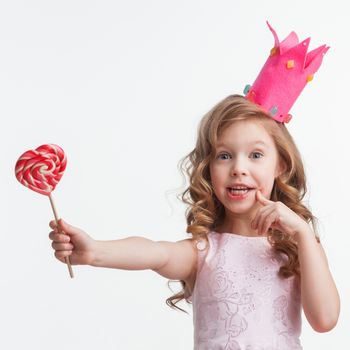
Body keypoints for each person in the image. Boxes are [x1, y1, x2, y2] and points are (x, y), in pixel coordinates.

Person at [48, 22, 340, 349]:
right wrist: (96, 251)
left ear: (281, 165)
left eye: (256, 154)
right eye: (224, 155)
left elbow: (325, 319)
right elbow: (154, 252)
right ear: (209, 167)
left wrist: (301, 233)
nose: (239, 169)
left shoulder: (298, 248)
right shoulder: (204, 252)